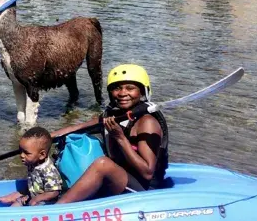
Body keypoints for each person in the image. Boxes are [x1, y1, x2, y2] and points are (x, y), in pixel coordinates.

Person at [52, 64, 169, 203]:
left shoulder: (147, 122)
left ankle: (57, 210)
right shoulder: (114, 115)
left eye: (130, 88)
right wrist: (44, 139)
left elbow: (147, 172)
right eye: (116, 88)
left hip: (144, 189)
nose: (122, 93)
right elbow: (77, 128)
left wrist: (120, 138)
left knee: (102, 163)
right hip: (120, 178)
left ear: (142, 91)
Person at [0, 127, 63, 206]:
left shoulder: (49, 172)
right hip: (32, 196)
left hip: (45, 203)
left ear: (42, 155)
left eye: (26, 153)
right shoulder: (33, 162)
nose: (21, 155)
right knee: (15, 206)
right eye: (21, 151)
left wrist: (36, 199)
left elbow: (54, 192)